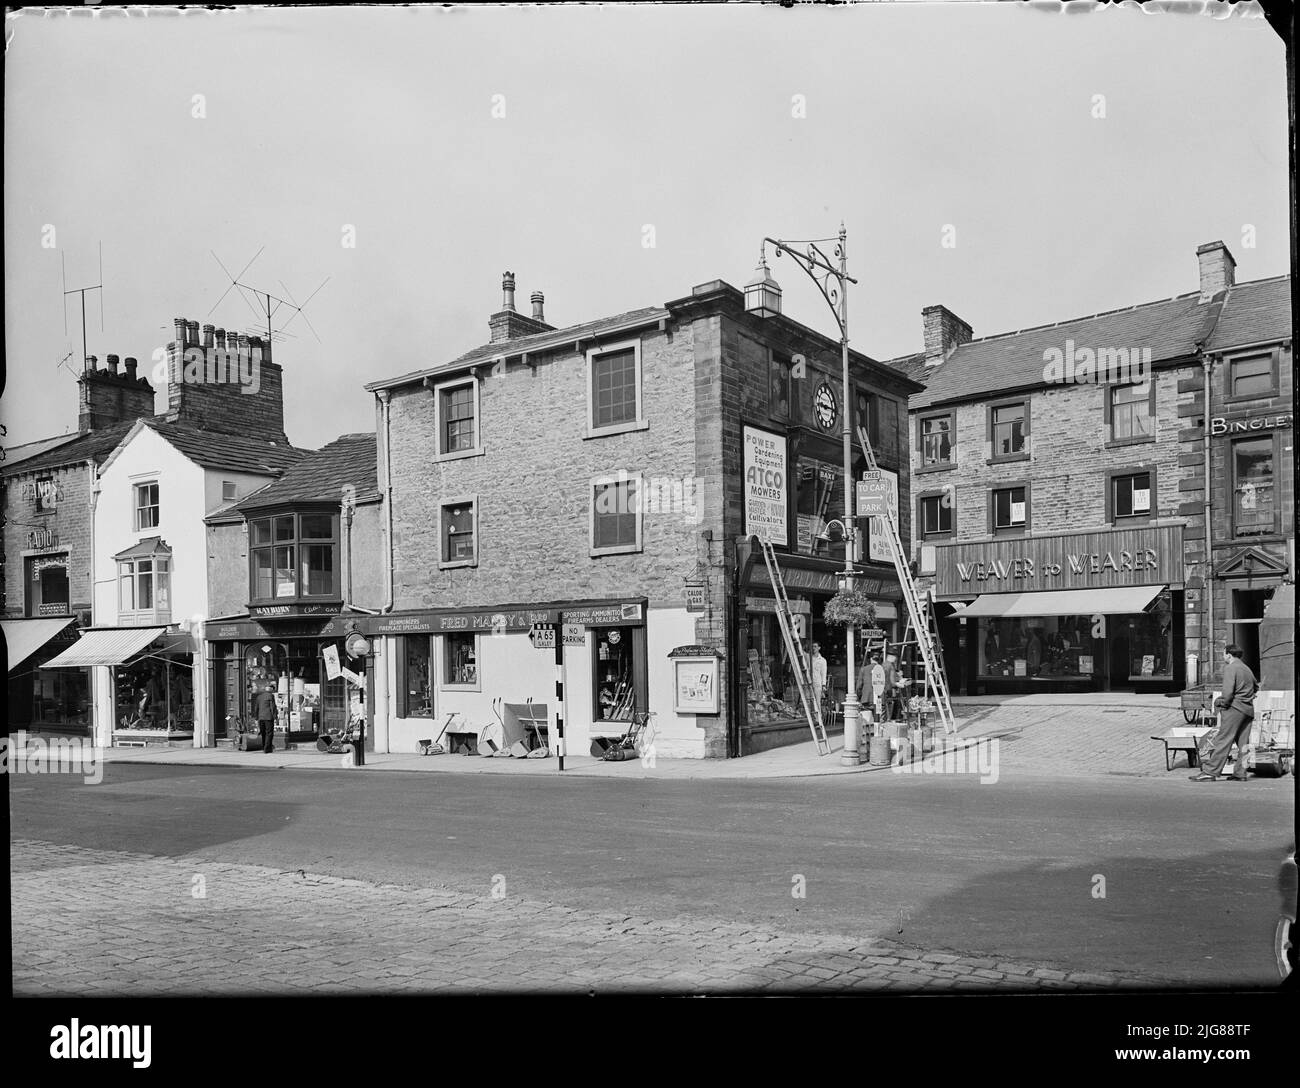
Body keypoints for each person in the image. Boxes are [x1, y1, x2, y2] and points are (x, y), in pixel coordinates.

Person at [1192, 645, 1257, 782]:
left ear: (1228, 655)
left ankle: (1210, 771)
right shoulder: (1246, 668)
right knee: (1244, 743)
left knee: (1223, 740)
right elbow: (1256, 687)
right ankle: (1241, 773)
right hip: (1248, 710)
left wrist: (1223, 704)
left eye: (1223, 654)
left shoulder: (1230, 668)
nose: (1223, 657)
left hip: (1234, 709)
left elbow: (1227, 693)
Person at [253, 686, 278, 754]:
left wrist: (256, 718)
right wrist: (275, 717)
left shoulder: (259, 697)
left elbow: (256, 708)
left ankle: (264, 746)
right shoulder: (271, 696)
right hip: (268, 717)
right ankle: (267, 748)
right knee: (269, 733)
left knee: (263, 733)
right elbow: (272, 707)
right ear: (270, 690)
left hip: (261, 718)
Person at [808, 643, 828, 718]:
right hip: (809, 682)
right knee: (810, 701)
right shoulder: (809, 658)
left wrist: (823, 685)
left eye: (815, 646)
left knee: (817, 701)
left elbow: (823, 673)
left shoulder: (822, 660)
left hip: (817, 683)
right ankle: (811, 717)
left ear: (819, 648)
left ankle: (818, 718)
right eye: (813, 646)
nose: (814, 648)